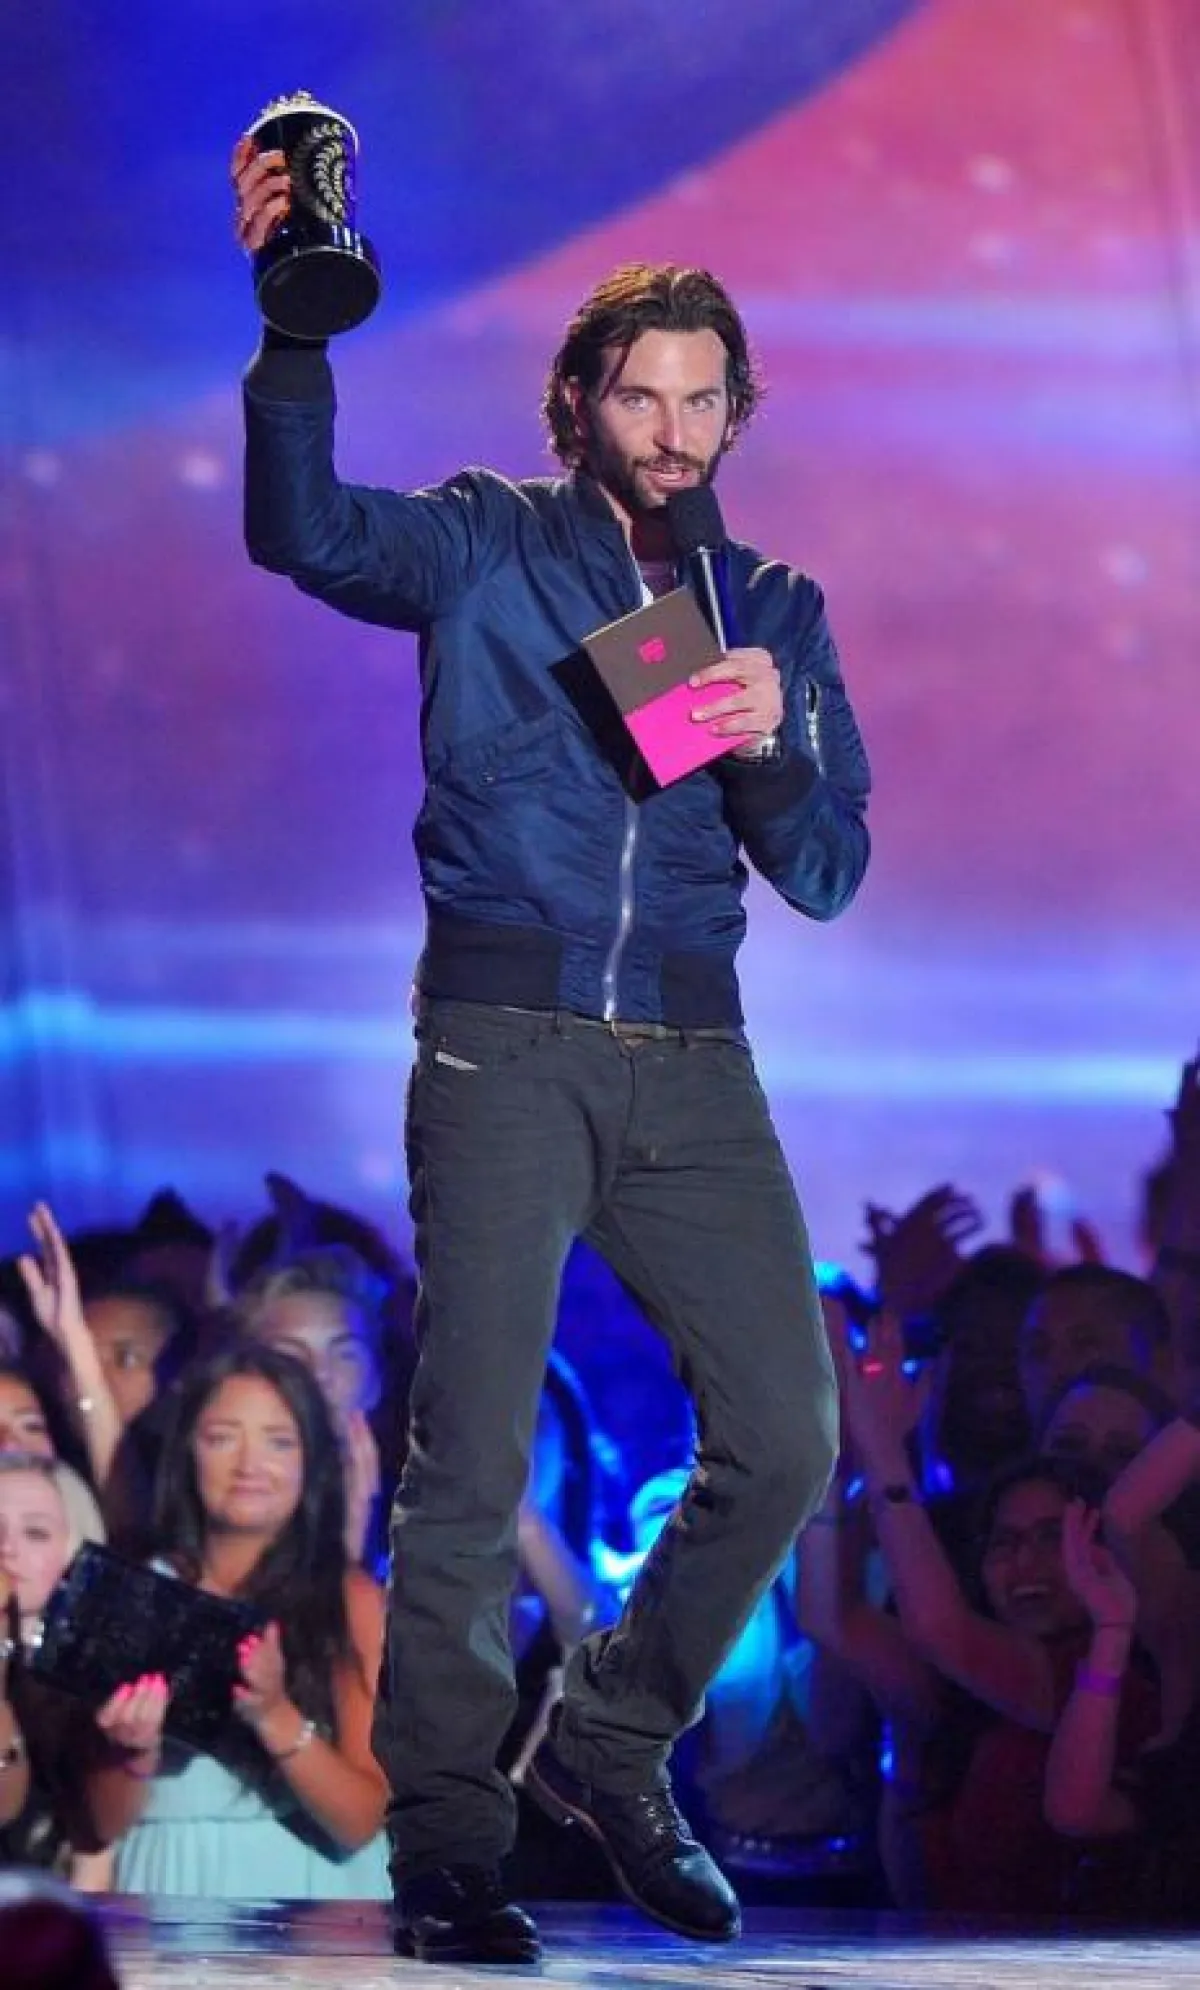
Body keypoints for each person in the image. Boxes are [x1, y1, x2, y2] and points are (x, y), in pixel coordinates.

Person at [232, 128, 870, 1965]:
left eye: (701, 398)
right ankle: (449, 1845)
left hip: (693, 1057)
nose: (672, 429)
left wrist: (772, 738)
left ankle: (608, 1734)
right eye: (639, 394)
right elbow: (304, 532)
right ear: (578, 400)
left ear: (738, 411)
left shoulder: (777, 611)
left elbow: (825, 871)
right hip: (503, 1041)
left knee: (788, 1432)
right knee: (474, 1451)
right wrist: (295, 332)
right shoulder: (489, 542)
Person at [87, 1343, 390, 1899]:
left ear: (311, 1460)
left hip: (309, 1898)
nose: (250, 1464)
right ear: (188, 1451)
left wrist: (273, 1713)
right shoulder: (142, 1590)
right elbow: (102, 1824)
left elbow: (361, 1820)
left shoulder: (349, 1599)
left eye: (279, 1441)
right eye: (222, 1437)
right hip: (168, 1885)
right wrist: (133, 1749)